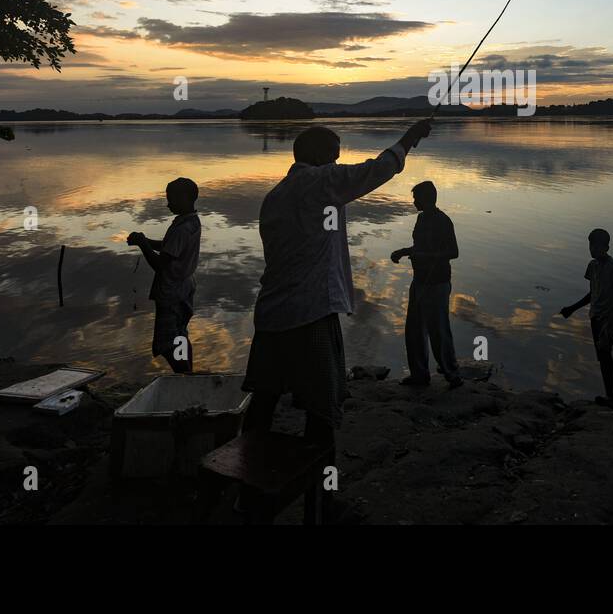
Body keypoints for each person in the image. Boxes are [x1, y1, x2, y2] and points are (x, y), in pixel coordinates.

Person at [242, 119, 432, 451]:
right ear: (314, 154)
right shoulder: (318, 182)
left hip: (272, 313)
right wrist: (409, 138)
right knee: (322, 409)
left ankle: (244, 479)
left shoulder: (275, 195)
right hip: (311, 313)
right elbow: (377, 170)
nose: (336, 162)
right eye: (333, 155)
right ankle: (323, 494)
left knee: (265, 399)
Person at [391, 180, 461, 388]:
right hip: (419, 281)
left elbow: (453, 252)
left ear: (428, 198)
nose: (414, 202)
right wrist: (403, 252)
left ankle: (452, 374)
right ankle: (419, 375)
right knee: (414, 330)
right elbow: (418, 246)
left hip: (437, 284)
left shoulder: (443, 221)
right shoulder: (421, 219)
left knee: (438, 331)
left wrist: (426, 256)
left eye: (416, 198)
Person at [127, 177, 201, 373]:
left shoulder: (182, 228)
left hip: (172, 291)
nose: (168, 204)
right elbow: (170, 248)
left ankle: (183, 375)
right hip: (185, 286)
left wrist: (143, 245)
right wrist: (146, 241)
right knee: (180, 335)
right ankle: (188, 374)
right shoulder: (192, 222)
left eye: (171, 199)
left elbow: (161, 265)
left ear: (185, 198)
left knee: (168, 343)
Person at [559, 228, 613, 409]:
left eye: (597, 246)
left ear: (607, 247)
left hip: (608, 319)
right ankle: (609, 396)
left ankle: (612, 398)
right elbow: (592, 294)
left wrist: (612, 323)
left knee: (605, 354)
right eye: (591, 245)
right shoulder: (592, 266)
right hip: (595, 317)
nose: (593, 249)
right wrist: (572, 308)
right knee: (602, 357)